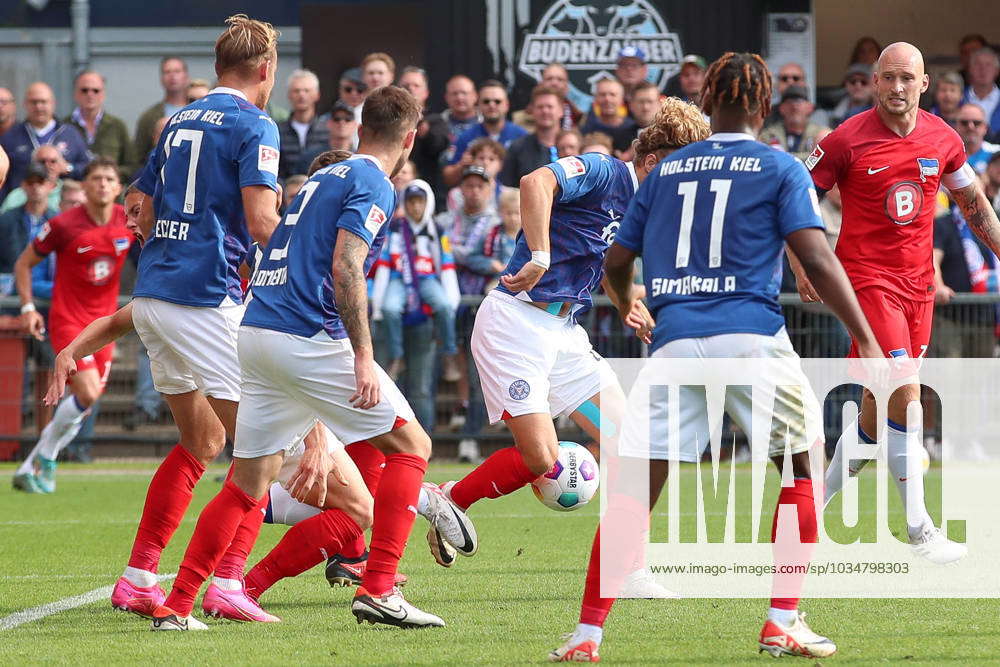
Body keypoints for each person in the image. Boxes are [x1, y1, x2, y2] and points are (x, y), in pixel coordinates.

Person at [564, 52, 884, 663]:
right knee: (800, 468)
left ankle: (586, 636)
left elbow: (616, 262)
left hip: (675, 341)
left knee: (635, 490)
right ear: (764, 107)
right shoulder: (779, 166)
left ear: (706, 101)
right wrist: (866, 338)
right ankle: (782, 620)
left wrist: (630, 302)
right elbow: (815, 258)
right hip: (753, 337)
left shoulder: (661, 172)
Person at [152, 85, 476, 631]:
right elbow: (346, 266)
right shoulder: (374, 180)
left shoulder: (327, 175)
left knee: (246, 485)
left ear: (358, 126)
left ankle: (176, 604)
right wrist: (364, 355)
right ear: (411, 137)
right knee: (412, 446)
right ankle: (379, 588)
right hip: (305, 335)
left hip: (257, 332)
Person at [434, 98, 707, 651]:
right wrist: (537, 251)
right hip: (515, 322)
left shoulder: (648, 209)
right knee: (542, 461)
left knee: (634, 445)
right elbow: (535, 182)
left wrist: (627, 303)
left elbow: (610, 263)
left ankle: (630, 572)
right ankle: (451, 497)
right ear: (654, 163)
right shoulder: (606, 169)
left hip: (564, 334)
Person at [109, 15, 286, 625]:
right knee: (263, 448)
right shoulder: (256, 123)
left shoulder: (179, 117)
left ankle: (138, 578)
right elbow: (263, 223)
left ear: (217, 67)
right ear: (266, 70)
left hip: (155, 292)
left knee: (202, 441)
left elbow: (139, 201)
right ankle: (222, 583)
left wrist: (165, 240)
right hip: (203, 299)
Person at [797, 41, 1000, 564]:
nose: (895, 88)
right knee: (907, 397)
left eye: (906, 78)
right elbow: (796, 197)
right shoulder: (845, 138)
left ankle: (808, 511)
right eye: (887, 78)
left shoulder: (944, 137)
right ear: (875, 81)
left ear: (924, 83)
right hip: (867, 285)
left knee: (873, 415)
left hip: (918, 290)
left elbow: (973, 203)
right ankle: (919, 527)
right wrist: (801, 263)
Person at [10, 157, 128, 494]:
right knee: (87, 393)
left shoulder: (127, 222)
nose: (103, 184)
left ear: (118, 188)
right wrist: (29, 307)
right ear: (85, 186)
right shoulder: (63, 225)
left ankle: (33, 465)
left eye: (109, 178)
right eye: (96, 178)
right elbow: (23, 264)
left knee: (84, 403)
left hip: (106, 327)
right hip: (70, 322)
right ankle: (46, 458)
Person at [371, 180, 461, 415]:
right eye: (410, 202)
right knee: (390, 308)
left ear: (428, 202)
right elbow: (383, 265)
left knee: (442, 305)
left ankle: (449, 352)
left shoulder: (437, 230)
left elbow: (447, 264)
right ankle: (396, 356)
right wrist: (379, 304)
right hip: (399, 279)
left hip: (428, 279)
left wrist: (452, 297)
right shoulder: (395, 229)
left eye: (420, 201)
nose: (415, 207)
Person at [0, 82, 91, 199]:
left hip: (63, 204)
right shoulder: (11, 136)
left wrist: (68, 168)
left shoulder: (70, 133)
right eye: (34, 102)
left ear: (53, 103)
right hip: (22, 206)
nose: (39, 107)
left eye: (43, 102)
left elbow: (88, 168)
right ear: (25, 104)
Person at [442, 80, 526, 187]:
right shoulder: (466, 137)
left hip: (513, 198)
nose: (491, 105)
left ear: (506, 105)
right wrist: (461, 166)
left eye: (497, 101)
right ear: (479, 105)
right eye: (486, 101)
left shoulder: (521, 136)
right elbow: (447, 178)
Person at [65, 70, 138, 180]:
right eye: (84, 90)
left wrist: (109, 174)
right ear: (75, 94)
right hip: (73, 193)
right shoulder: (64, 126)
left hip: (110, 193)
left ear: (103, 94)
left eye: (96, 90)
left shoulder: (117, 126)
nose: (90, 94)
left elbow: (132, 165)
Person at [501, 85, 563, 187]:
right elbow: (508, 188)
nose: (545, 111)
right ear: (532, 111)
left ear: (561, 110)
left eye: (550, 106)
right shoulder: (518, 148)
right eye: (540, 107)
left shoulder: (573, 144)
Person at [134, 57, 190, 159]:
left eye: (177, 71)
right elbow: (138, 156)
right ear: (161, 78)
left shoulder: (197, 109)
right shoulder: (149, 116)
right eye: (167, 72)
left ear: (186, 76)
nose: (172, 76)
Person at [277, 69, 330, 179]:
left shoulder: (327, 130)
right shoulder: (278, 131)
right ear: (289, 95)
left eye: (307, 90)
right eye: (296, 91)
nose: (301, 95)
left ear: (317, 95)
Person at [758, 85, 831, 161]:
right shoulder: (768, 135)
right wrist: (809, 155)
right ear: (781, 108)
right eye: (789, 102)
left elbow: (822, 160)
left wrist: (781, 157)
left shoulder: (820, 133)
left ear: (810, 107)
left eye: (799, 101)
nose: (794, 106)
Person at [513, 64, 583, 131]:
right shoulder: (519, 120)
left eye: (560, 79)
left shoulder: (581, 119)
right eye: (549, 79)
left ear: (567, 87)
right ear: (541, 84)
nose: (554, 83)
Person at [1, 145, 67, 213]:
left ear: (61, 164)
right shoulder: (16, 196)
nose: (48, 165)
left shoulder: (69, 193)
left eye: (53, 161)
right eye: (42, 161)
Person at [579, 78, 636, 154]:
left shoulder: (634, 129)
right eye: (602, 95)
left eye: (613, 95)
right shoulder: (586, 128)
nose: (607, 99)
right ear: (595, 98)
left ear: (622, 99)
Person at [963, 47, 1000, 141]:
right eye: (977, 64)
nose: (983, 69)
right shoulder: (958, 98)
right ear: (970, 69)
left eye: (988, 65)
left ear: (997, 71)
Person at [955, 103, 999, 173]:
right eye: (964, 123)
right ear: (956, 127)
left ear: (985, 127)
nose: (970, 127)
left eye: (976, 123)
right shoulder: (949, 155)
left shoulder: (997, 152)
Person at [829, 62, 874, 127]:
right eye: (853, 81)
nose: (858, 86)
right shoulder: (833, 112)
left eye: (864, 82)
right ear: (846, 84)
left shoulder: (880, 110)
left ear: (873, 85)